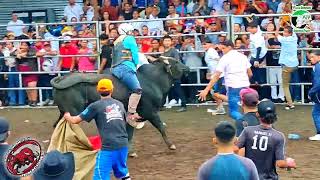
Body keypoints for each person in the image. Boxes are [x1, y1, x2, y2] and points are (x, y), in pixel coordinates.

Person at [64, 79, 131, 180]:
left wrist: (66, 115)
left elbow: (75, 120)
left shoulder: (95, 106)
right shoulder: (120, 104)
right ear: (112, 90)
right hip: (123, 144)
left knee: (100, 176)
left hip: (108, 145)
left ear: (98, 90)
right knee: (122, 172)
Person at [236, 99, 296, 180]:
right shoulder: (278, 136)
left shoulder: (248, 131)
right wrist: (289, 164)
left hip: (250, 176)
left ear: (257, 114)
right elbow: (280, 163)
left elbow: (235, 148)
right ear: (275, 115)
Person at [198, 40, 252, 122]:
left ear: (229, 47)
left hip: (233, 86)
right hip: (245, 85)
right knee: (246, 108)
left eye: (223, 48)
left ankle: (246, 122)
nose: (222, 50)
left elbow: (216, 76)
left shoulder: (225, 58)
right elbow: (250, 73)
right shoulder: (242, 56)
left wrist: (206, 90)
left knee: (233, 112)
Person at [111, 23, 142, 127]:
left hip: (115, 68)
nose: (132, 33)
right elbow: (135, 53)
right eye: (131, 31)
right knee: (137, 90)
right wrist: (136, 64)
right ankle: (131, 114)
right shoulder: (130, 39)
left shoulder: (117, 41)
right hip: (125, 67)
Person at [275, 25, 298, 110]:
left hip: (287, 66)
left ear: (289, 33)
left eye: (285, 32)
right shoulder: (294, 37)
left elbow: (276, 33)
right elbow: (293, 28)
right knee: (294, 82)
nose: (283, 33)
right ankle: (294, 100)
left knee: (285, 86)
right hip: (295, 64)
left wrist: (279, 25)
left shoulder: (284, 40)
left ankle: (290, 104)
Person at [202, 40, 226, 115]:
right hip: (215, 74)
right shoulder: (209, 51)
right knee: (214, 92)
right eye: (203, 44)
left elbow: (218, 59)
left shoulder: (211, 51)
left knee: (215, 93)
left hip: (218, 75)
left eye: (206, 44)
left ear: (211, 44)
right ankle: (220, 108)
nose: (204, 46)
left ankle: (222, 108)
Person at [247, 23, 268, 99]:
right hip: (254, 55)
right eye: (250, 28)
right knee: (252, 74)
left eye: (252, 28)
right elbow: (255, 21)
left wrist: (257, 60)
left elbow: (259, 48)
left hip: (259, 56)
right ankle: (255, 84)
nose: (250, 30)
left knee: (257, 75)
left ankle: (262, 96)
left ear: (256, 28)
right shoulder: (256, 31)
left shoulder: (257, 36)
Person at [307, 51, 320, 141]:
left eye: (312, 57)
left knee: (316, 113)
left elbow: (318, 83)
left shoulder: (317, 67)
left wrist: (310, 93)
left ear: (319, 57)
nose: (310, 59)